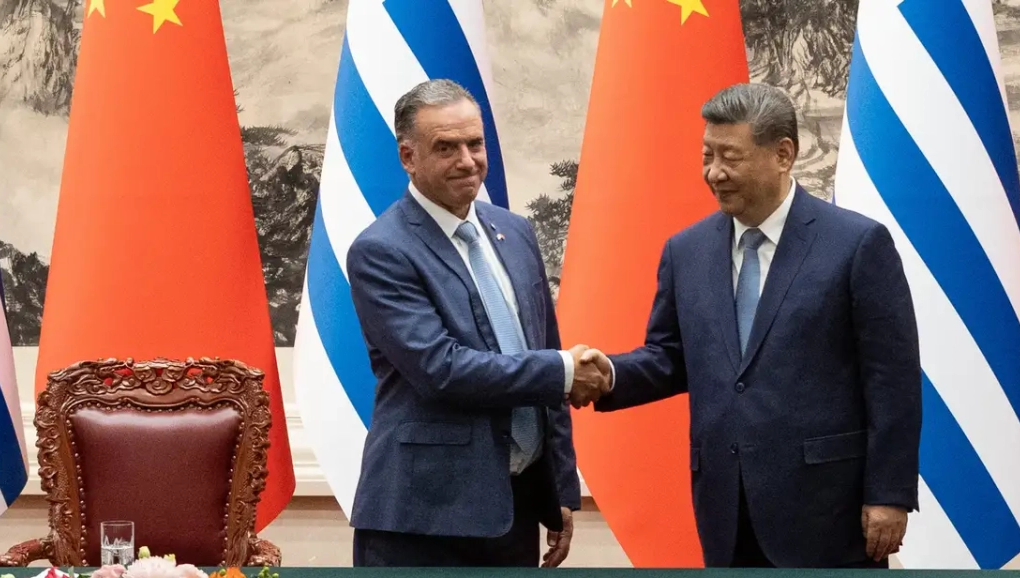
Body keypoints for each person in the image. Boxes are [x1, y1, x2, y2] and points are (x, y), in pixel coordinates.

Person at [578, 83, 922, 568]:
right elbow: (671, 357)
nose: (714, 172)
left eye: (730, 157)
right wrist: (609, 375)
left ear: (783, 154)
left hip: (829, 513)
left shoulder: (856, 245)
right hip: (726, 510)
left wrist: (889, 493)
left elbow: (892, 380)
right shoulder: (686, 251)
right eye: (707, 155)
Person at [344, 79, 607, 567]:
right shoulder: (381, 250)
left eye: (475, 144)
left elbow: (545, 350)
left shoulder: (515, 231)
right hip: (423, 519)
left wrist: (560, 488)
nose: (467, 161)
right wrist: (566, 371)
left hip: (514, 510)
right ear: (408, 157)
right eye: (446, 147)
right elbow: (442, 370)